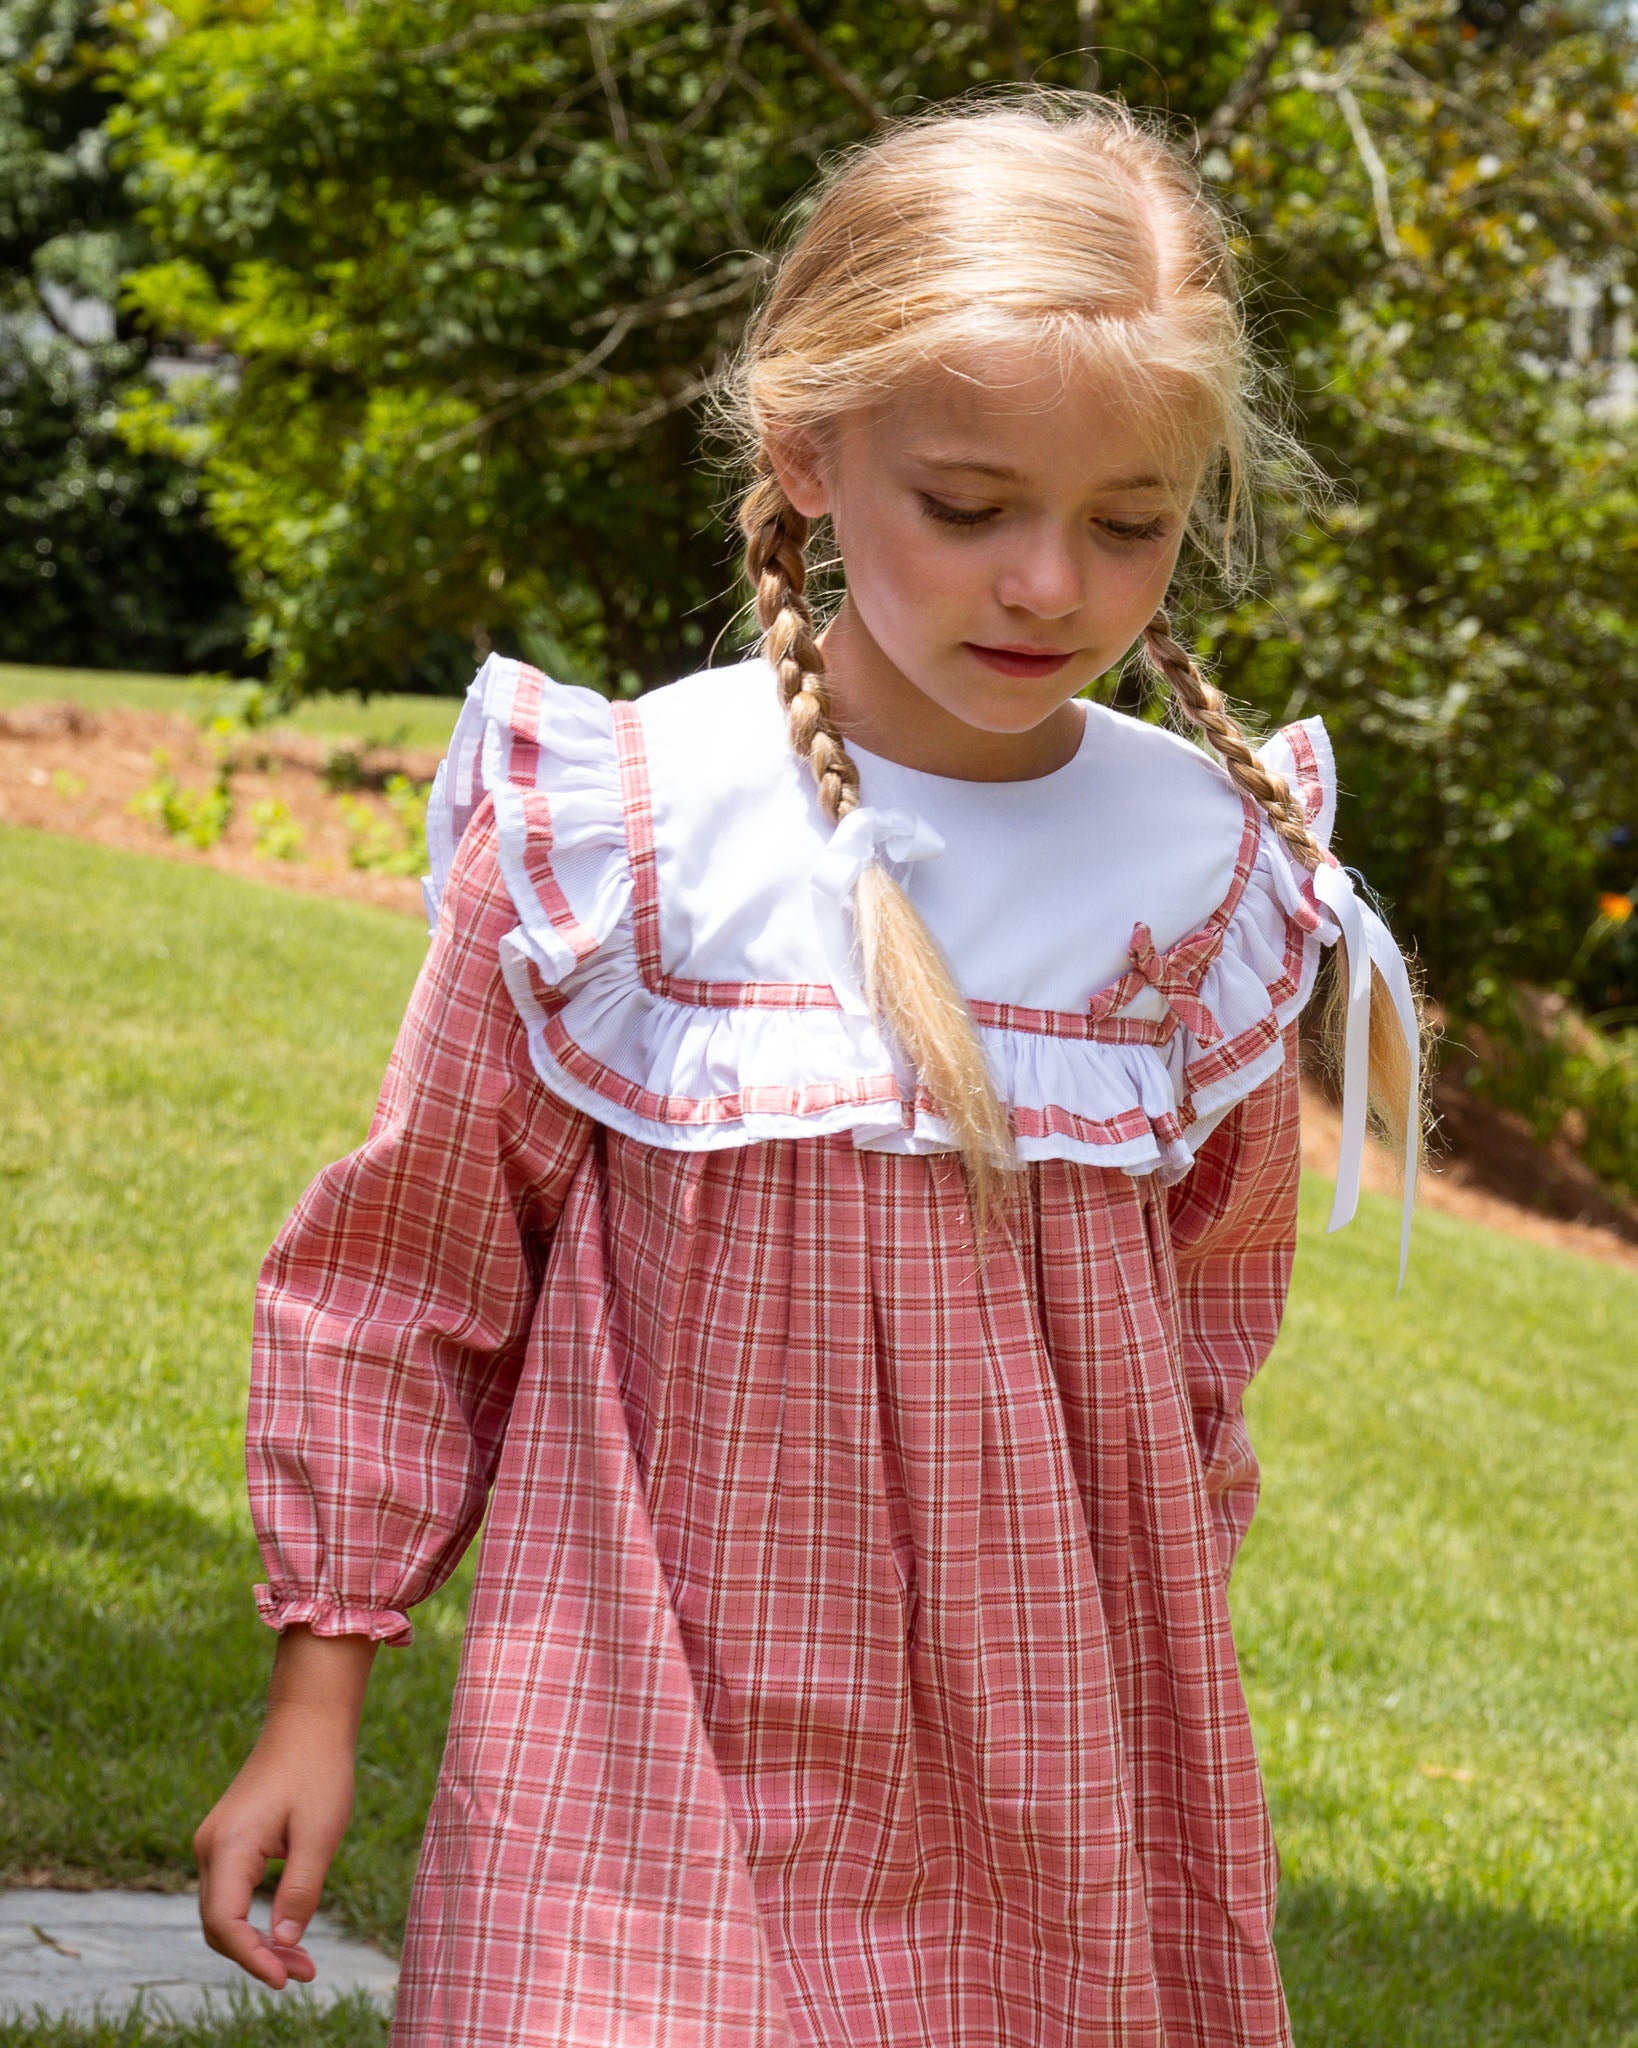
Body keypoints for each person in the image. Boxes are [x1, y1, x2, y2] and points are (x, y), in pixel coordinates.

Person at [193, 90, 1427, 2048]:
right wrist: (317, 1690)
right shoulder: (628, 830)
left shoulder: (1204, 880)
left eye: (1127, 524)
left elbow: (1201, 1340)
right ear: (807, 449)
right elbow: (410, 1272)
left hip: (1047, 1758)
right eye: (967, 505)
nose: (1048, 584)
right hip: (632, 1720)